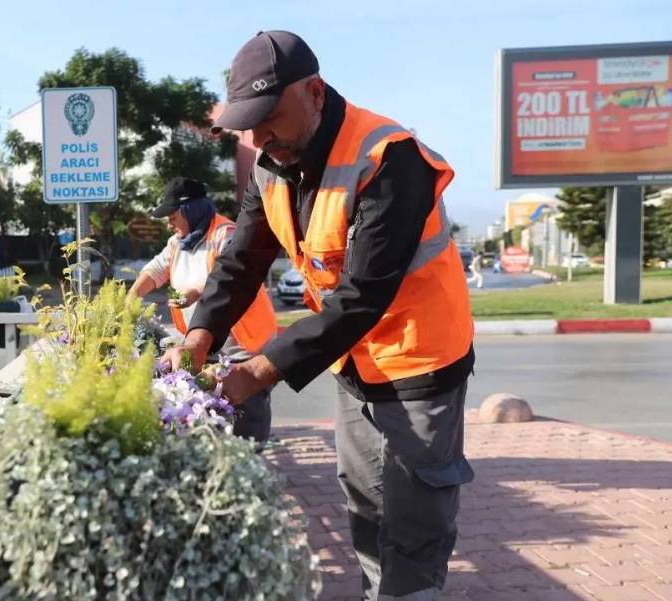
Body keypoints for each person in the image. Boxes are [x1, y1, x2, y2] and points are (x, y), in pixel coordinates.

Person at [161, 31, 475, 600]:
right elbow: (241, 261)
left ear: (314, 92)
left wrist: (259, 372)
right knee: (367, 508)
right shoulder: (271, 163)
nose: (259, 137)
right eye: (248, 125)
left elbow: (362, 295)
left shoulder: (389, 157)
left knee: (414, 526)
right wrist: (200, 335)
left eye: (268, 117)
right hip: (352, 364)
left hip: (420, 360)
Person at [128, 177, 278, 441]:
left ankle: (253, 460)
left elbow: (230, 277)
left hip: (242, 344)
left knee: (246, 411)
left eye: (172, 215)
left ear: (190, 211)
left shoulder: (226, 234)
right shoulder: (178, 242)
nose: (168, 223)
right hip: (202, 344)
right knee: (213, 413)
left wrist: (196, 293)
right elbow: (155, 270)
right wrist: (131, 296)